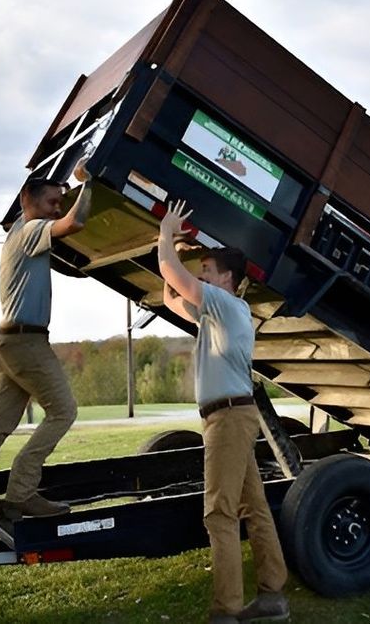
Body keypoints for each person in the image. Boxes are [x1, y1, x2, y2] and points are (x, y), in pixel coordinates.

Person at [157, 200, 289, 624]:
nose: (202, 278)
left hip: (228, 419)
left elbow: (174, 275)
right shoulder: (216, 317)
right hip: (233, 415)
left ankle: (226, 611)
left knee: (219, 512)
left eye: (208, 271)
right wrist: (169, 247)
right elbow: (170, 292)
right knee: (254, 507)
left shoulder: (229, 307)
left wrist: (166, 235)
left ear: (227, 278)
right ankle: (272, 598)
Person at [0, 172, 93, 530]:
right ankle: (21, 492)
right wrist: (90, 180)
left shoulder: (16, 230)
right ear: (26, 199)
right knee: (63, 411)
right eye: (51, 202)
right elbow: (76, 222)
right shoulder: (33, 229)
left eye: (58, 203)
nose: (55, 209)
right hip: (27, 342)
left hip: (6, 341)